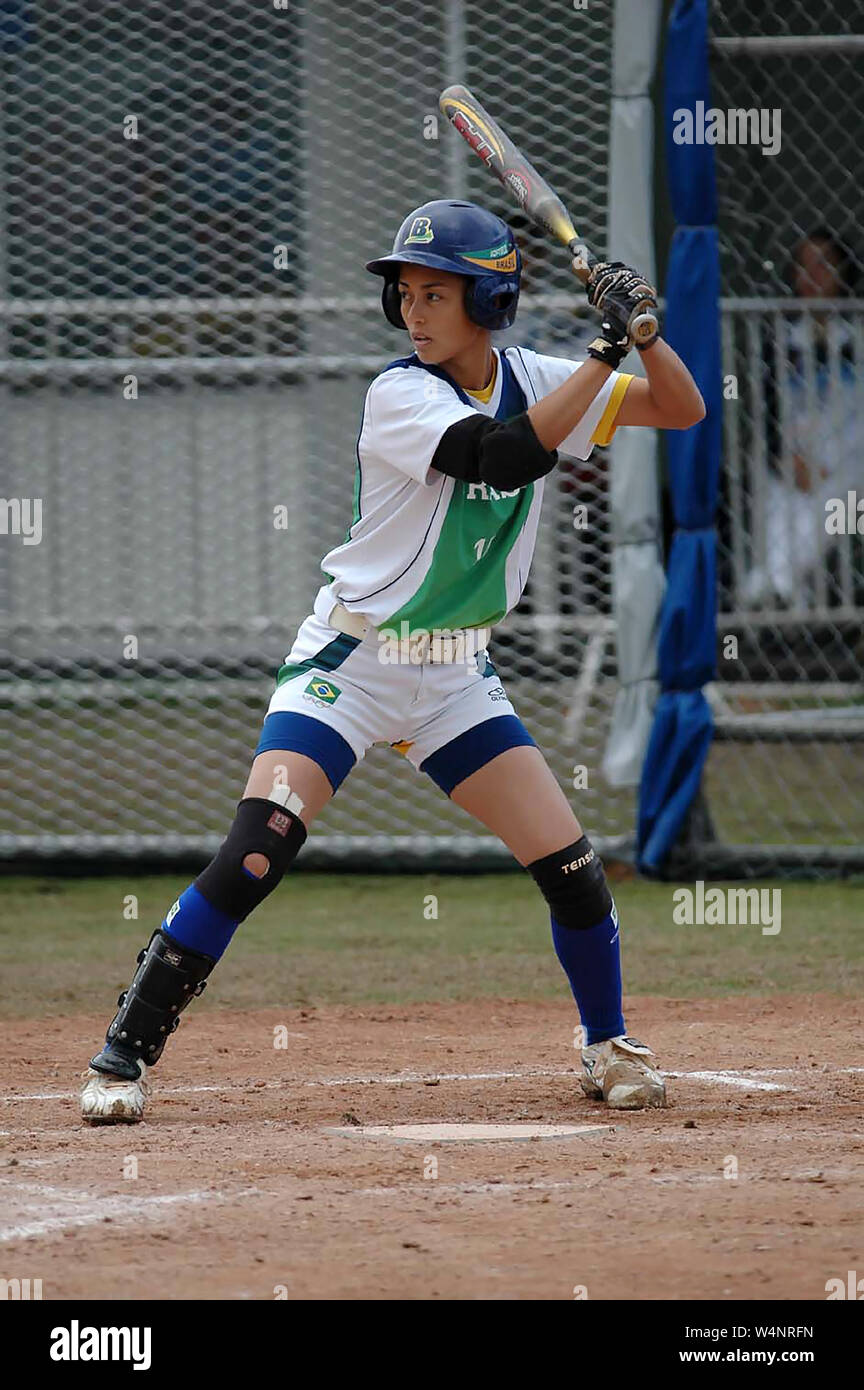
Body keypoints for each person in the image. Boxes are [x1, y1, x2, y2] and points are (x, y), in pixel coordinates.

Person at [80, 199, 704, 1125]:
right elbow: (501, 458)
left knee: (569, 863)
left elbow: (684, 407)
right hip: (355, 660)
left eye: (437, 294)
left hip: (454, 671)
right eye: (407, 294)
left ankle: (606, 1043)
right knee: (259, 847)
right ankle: (123, 1054)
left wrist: (644, 331)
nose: (414, 312)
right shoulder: (400, 393)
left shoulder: (538, 375)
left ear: (489, 301)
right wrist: (605, 351)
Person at [743, 228, 860, 606]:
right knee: (778, 495)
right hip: (797, 457)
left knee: (838, 491)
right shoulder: (778, 341)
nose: (814, 275)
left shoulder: (858, 336)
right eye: (805, 265)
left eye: (825, 264)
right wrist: (787, 459)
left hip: (852, 457)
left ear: (843, 272)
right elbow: (765, 412)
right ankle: (788, 592)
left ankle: (772, 582)